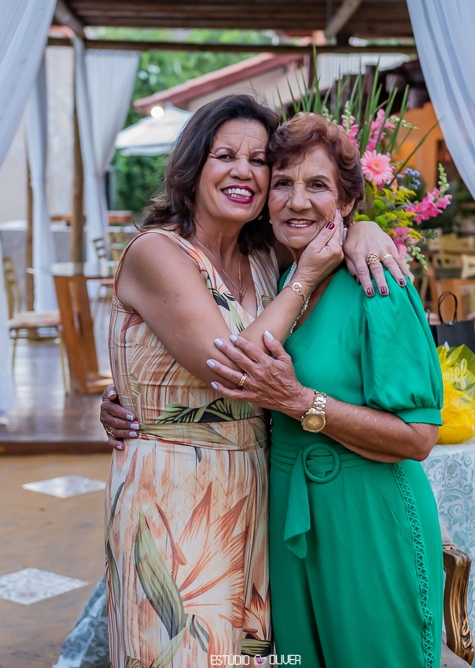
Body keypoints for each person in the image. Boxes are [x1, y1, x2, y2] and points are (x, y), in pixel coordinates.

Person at [97, 112, 445, 668]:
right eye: (225, 156)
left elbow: (415, 430)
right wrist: (136, 401)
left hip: (264, 500)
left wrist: (363, 229)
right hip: (178, 498)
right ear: (193, 165)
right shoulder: (168, 254)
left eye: (258, 161)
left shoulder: (266, 260)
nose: (246, 172)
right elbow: (229, 367)